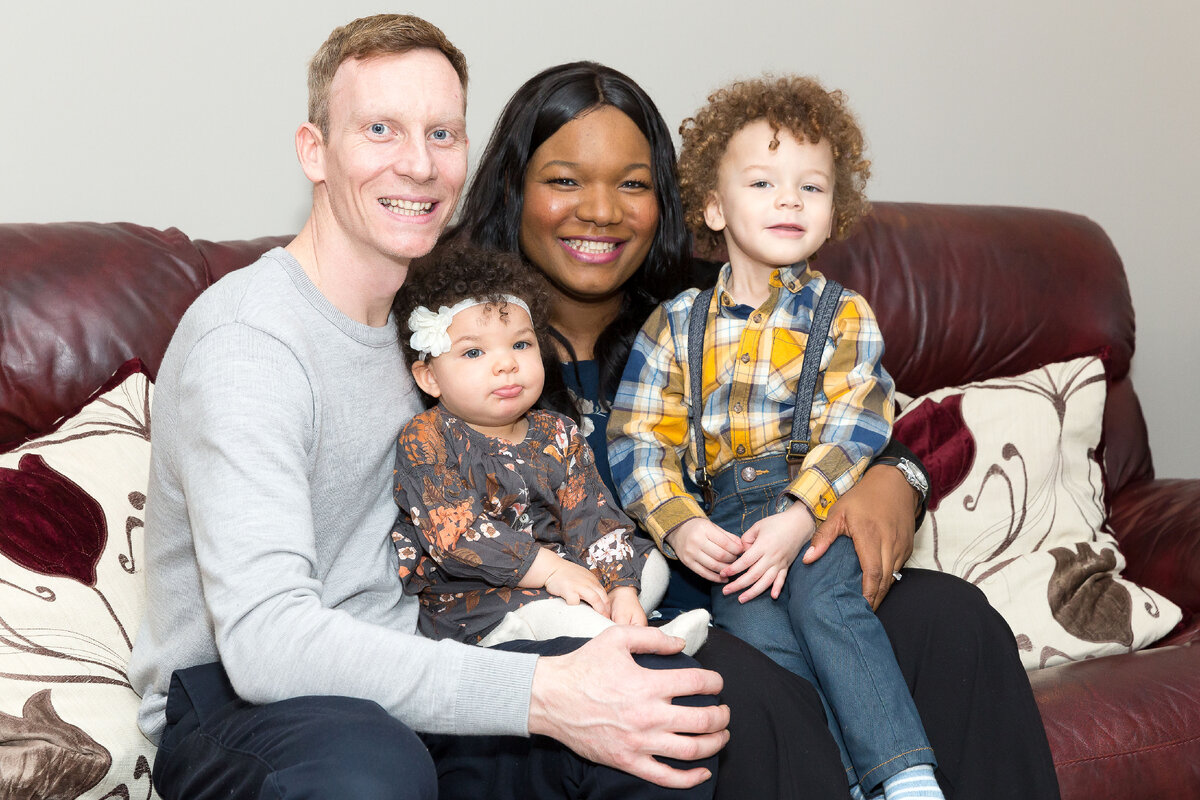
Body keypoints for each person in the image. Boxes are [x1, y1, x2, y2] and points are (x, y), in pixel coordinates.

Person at [128, 16, 729, 800]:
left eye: (441, 134)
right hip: (239, 702)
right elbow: (266, 643)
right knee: (374, 773)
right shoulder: (249, 342)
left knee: (657, 709)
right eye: (380, 129)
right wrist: (542, 694)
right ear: (314, 151)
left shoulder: (437, 328)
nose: (418, 164)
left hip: (411, 660)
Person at [452, 60, 1062, 799]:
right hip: (646, 618)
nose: (602, 210)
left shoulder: (708, 306)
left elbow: (855, 413)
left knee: (953, 620)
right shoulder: (463, 347)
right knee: (749, 688)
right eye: (564, 180)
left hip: (791, 551)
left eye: (634, 184)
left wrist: (896, 483)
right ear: (513, 189)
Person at [609, 73, 942, 800]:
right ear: (714, 206)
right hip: (723, 527)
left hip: (814, 510)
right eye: (762, 183)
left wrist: (800, 514)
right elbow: (638, 440)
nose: (789, 201)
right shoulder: (675, 324)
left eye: (811, 187)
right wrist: (680, 524)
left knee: (828, 609)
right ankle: (847, 781)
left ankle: (907, 776)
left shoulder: (842, 314)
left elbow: (859, 420)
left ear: (834, 211)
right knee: (759, 644)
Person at [388, 241, 710, 653]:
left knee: (649, 567)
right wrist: (551, 570)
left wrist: (621, 588)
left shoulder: (558, 432)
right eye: (474, 352)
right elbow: (456, 535)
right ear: (430, 377)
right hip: (477, 597)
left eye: (520, 344)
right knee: (557, 613)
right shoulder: (427, 437)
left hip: (563, 570)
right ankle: (642, 643)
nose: (506, 363)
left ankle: (620, 621)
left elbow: (591, 515)